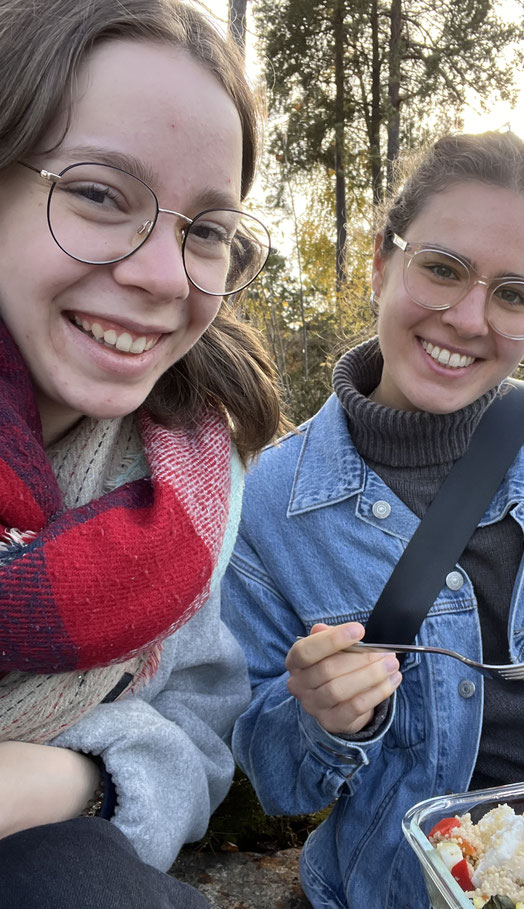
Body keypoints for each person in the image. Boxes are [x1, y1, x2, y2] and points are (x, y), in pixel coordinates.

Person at [221, 131, 524, 908]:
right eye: (441, 268)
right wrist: (320, 720)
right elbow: (277, 782)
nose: (469, 318)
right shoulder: (269, 500)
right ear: (381, 261)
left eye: (513, 293)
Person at [0, 0, 283, 905]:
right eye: (98, 193)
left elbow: (198, 727)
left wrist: (69, 777)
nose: (164, 276)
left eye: (205, 230)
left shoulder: (187, 479)